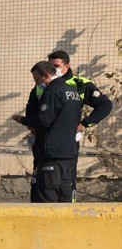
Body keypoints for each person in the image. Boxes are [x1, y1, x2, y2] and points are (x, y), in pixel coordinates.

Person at [13, 61, 83, 202]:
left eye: (37, 79)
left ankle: (49, 225)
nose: (36, 83)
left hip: (52, 153)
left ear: (45, 75)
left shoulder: (52, 91)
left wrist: (22, 120)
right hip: (69, 152)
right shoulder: (72, 91)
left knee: (47, 195)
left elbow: (43, 121)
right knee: (65, 194)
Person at [47, 50, 112, 201]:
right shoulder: (44, 83)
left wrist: (84, 123)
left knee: (66, 185)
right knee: (47, 185)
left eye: (56, 66)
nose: (52, 70)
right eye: (50, 66)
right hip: (46, 144)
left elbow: (105, 105)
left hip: (68, 143)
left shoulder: (79, 83)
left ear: (67, 66)